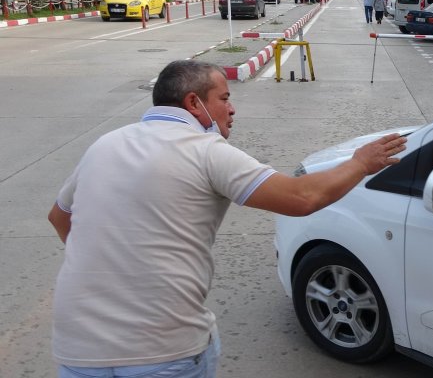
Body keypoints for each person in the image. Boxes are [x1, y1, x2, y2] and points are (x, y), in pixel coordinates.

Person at [47, 60, 406, 377]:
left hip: (77, 345)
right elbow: (303, 198)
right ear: (193, 103)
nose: (231, 109)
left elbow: (60, 218)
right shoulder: (204, 151)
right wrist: (360, 162)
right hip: (161, 347)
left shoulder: (106, 143)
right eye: (223, 98)